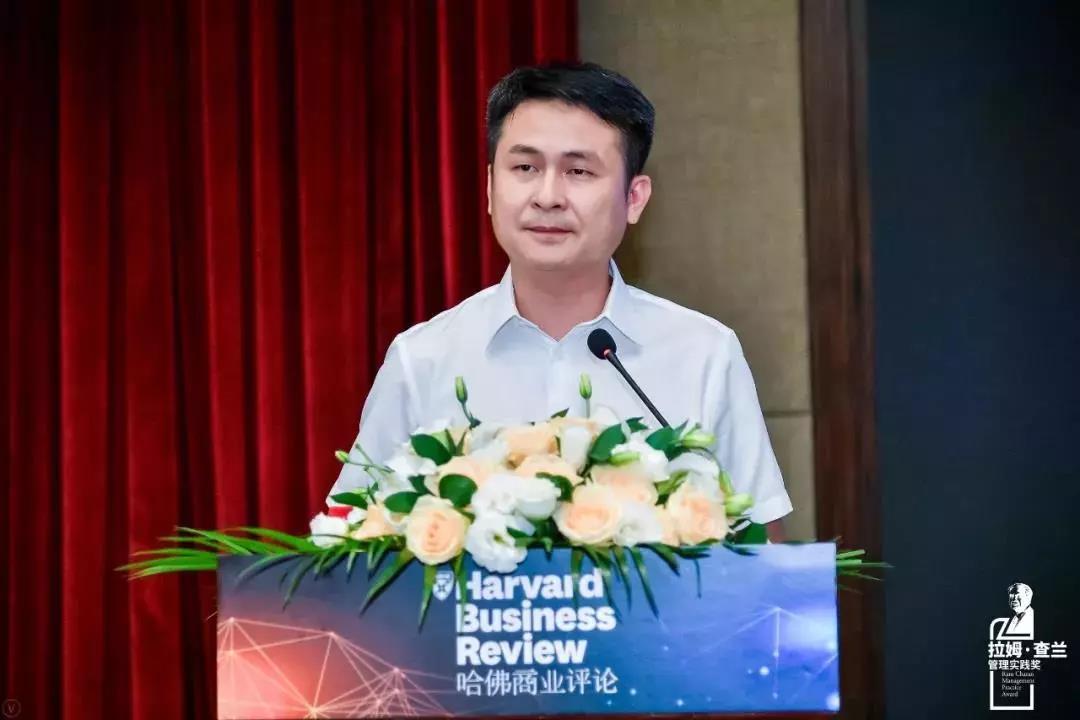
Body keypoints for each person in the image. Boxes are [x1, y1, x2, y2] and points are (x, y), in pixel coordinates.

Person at [329, 62, 793, 538]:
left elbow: (762, 548)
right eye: (525, 168)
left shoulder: (703, 354)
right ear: (489, 188)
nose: (548, 196)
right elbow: (351, 539)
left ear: (634, 198)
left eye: (578, 171)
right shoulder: (422, 360)